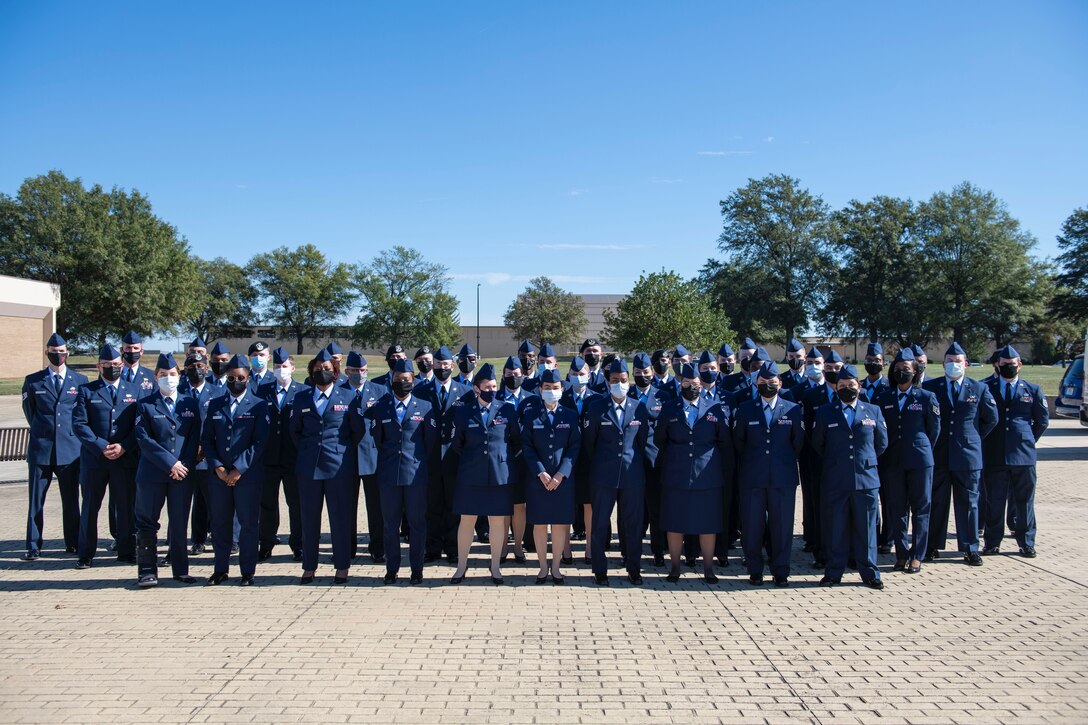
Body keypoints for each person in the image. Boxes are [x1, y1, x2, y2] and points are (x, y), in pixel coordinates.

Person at [811, 365, 888, 590]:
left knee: (867, 529)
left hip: (866, 479)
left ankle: (870, 573)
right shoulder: (826, 412)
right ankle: (834, 572)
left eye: (851, 385)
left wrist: (863, 461)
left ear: (859, 386)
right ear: (836, 387)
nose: (847, 389)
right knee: (836, 529)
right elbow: (819, 443)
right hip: (836, 479)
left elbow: (881, 444)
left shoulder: (873, 411)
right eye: (842, 386)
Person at [654, 363, 731, 583]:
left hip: (707, 474)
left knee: (708, 523)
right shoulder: (669, 407)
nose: (692, 387)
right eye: (687, 383)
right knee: (675, 521)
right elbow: (660, 437)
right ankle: (675, 568)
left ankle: (708, 568)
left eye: (696, 384)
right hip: (676, 473)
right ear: (680, 383)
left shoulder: (715, 407)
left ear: (702, 384)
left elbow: (723, 439)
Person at [582, 358, 657, 585]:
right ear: (608, 381)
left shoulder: (639, 408)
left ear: (629, 381)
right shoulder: (596, 407)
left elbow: (645, 443)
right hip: (603, 477)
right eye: (615, 380)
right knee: (600, 525)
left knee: (633, 526)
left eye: (623, 380)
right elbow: (589, 444)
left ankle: (634, 569)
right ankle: (600, 570)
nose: (620, 384)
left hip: (632, 476)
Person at [923, 342, 998, 565]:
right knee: (937, 502)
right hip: (939, 454)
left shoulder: (979, 389)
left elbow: (991, 419)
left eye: (958, 361)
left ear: (966, 364)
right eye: (949, 361)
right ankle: (932, 546)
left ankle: (970, 548)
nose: (953, 365)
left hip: (968, 456)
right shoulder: (932, 388)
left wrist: (972, 438)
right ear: (943, 363)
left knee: (969, 503)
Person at [290, 349, 360, 583]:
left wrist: (339, 451)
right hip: (309, 467)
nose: (323, 372)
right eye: (318, 369)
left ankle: (342, 567)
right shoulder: (301, 398)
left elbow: (356, 431)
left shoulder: (348, 397)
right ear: (311, 372)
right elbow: (295, 432)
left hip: (338, 467)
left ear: (336, 372)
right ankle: (309, 566)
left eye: (327, 369)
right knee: (309, 518)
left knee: (340, 519)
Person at [132, 353, 202, 586]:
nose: (168, 378)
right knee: (147, 523)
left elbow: (193, 438)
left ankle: (181, 570)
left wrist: (183, 465)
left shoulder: (189, 403)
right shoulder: (145, 405)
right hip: (153, 473)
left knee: (180, 522)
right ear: (155, 377)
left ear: (179, 376)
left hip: (181, 473)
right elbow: (143, 439)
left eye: (172, 374)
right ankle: (146, 570)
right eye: (163, 375)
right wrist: (170, 463)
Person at [446, 364, 519, 584]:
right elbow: (458, 443)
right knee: (467, 521)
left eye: (494, 386)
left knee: (497, 522)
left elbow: (515, 442)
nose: (492, 390)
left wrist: (499, 460)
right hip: (471, 474)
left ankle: (495, 567)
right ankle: (461, 567)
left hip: (499, 475)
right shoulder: (463, 411)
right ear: (477, 389)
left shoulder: (507, 409)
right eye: (487, 386)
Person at [732, 362, 804, 586]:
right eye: (763, 383)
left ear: (780, 383)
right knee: (752, 526)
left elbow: (798, 443)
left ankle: (781, 570)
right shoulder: (745, 409)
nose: (768, 386)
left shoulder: (792, 409)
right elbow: (738, 442)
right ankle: (755, 570)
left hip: (782, 478)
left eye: (772, 383)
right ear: (756, 383)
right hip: (752, 477)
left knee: (782, 527)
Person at [201, 355, 269, 585]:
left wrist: (238, 469)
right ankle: (220, 569)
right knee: (220, 524)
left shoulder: (259, 405)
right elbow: (207, 440)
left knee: (248, 524)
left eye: (240, 377)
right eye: (231, 378)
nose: (236, 381)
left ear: (248, 378)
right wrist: (218, 467)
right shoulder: (215, 404)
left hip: (247, 475)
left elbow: (259, 442)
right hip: (219, 476)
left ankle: (247, 572)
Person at [371, 359, 440, 585]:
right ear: (391, 381)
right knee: (390, 525)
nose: (403, 383)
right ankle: (392, 569)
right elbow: (378, 441)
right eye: (398, 380)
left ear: (414, 381)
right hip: (389, 475)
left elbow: (428, 444)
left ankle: (416, 570)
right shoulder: (381, 408)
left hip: (415, 475)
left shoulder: (426, 407)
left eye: (407, 380)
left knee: (417, 524)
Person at [72, 344, 141, 568]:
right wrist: (101, 446)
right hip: (95, 460)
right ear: (98, 366)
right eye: (107, 365)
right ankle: (86, 553)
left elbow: (139, 426)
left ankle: (126, 551)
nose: (112, 368)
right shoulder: (87, 391)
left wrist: (123, 446)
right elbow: (79, 425)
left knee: (125, 508)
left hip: (124, 459)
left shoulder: (135, 390)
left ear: (122, 365)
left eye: (116, 365)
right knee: (91, 507)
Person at [21, 332, 87, 560]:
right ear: (46, 352)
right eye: (53, 352)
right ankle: (32, 545)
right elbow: (31, 412)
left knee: (70, 500)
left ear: (67, 353)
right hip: (41, 449)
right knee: (36, 501)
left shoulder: (79, 381)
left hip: (70, 450)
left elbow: (79, 414)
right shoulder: (33, 380)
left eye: (61, 352)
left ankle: (72, 542)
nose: (57, 355)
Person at [876, 348, 940, 574]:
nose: (901, 373)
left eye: (906, 370)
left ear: (915, 372)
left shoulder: (926, 397)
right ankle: (901, 554)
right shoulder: (884, 398)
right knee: (896, 509)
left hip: (920, 461)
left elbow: (934, 431)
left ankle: (917, 555)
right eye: (898, 369)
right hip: (893, 461)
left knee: (921, 508)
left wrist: (920, 451)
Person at [982, 344, 1049, 557]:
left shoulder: (1032, 389)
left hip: (1023, 455)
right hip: (995, 454)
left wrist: (1027, 439)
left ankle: (1026, 542)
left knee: (1024, 502)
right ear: (997, 365)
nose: (1008, 368)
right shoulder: (986, 387)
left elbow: (1042, 421)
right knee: (995, 501)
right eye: (1004, 365)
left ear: (1019, 365)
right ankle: (992, 542)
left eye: (1011, 364)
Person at [520, 367, 581, 584]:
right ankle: (542, 567)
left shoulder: (571, 415)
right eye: (547, 388)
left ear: (561, 390)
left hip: (562, 481)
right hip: (538, 481)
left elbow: (574, 447)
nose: (551, 391)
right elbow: (526, 446)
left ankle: (556, 567)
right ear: (540, 390)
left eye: (555, 388)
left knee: (559, 524)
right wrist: (541, 472)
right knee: (539, 524)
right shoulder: (530, 415)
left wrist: (561, 474)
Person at [418, 345, 471, 564]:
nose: (442, 368)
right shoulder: (421, 391)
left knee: (453, 505)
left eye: (446, 365)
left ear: (453, 365)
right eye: (438, 364)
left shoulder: (465, 392)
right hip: (429, 457)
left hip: (454, 457)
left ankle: (453, 547)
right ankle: (433, 547)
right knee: (432, 505)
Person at [256, 347, 304, 561]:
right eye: (277, 366)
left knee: (296, 504)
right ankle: (266, 544)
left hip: (294, 458)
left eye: (284, 366)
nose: (280, 370)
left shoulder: (302, 392)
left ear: (292, 368)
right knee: (267, 504)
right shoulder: (262, 391)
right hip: (268, 458)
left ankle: (298, 545)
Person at [343, 351, 388, 562]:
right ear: (346, 372)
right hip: (346, 459)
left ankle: (377, 547)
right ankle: (347, 548)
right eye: (354, 371)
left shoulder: (380, 392)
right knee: (346, 507)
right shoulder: (338, 392)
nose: (358, 374)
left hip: (374, 457)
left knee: (377, 507)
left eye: (362, 371)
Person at [183, 351, 225, 556]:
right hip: (184, 457)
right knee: (192, 503)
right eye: (192, 368)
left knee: (214, 501)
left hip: (208, 455)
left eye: (201, 367)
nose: (197, 370)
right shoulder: (179, 391)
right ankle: (197, 541)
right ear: (185, 370)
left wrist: (206, 448)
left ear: (207, 370)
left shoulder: (217, 392)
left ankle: (222, 540)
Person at [629, 352, 668, 566]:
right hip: (631, 460)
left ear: (652, 373)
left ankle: (658, 551)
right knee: (632, 510)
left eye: (645, 372)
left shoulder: (663, 397)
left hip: (654, 461)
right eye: (638, 372)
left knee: (655, 509)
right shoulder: (626, 395)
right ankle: (629, 550)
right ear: (632, 374)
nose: (642, 375)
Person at [497, 355, 537, 561]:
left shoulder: (532, 399)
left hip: (524, 459)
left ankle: (518, 546)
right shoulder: (495, 398)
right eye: (509, 374)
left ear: (523, 375)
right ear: (503, 376)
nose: (513, 377)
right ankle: (502, 546)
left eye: (517, 374)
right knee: (503, 504)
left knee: (520, 505)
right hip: (501, 460)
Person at [561, 355, 600, 552]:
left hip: (589, 459)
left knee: (588, 504)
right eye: (574, 374)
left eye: (582, 374)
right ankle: (565, 547)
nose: (578, 377)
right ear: (568, 375)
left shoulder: (598, 399)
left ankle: (590, 547)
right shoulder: (561, 397)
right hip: (565, 459)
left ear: (589, 375)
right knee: (566, 504)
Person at [119, 331, 155, 395]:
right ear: (121, 350)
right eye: (128, 348)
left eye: (136, 348)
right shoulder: (112, 373)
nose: (132, 351)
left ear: (141, 351)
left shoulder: (151, 376)